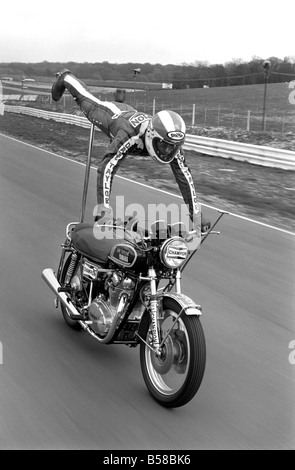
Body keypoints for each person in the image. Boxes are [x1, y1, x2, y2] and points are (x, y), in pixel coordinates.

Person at [51, 70, 211, 233]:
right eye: (165, 146)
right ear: (151, 135)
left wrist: (196, 215)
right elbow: (106, 168)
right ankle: (66, 77)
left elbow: (184, 176)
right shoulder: (128, 134)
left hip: (132, 112)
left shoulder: (171, 143)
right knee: (86, 100)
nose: (168, 151)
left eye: (174, 146)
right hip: (114, 116)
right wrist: (104, 210)